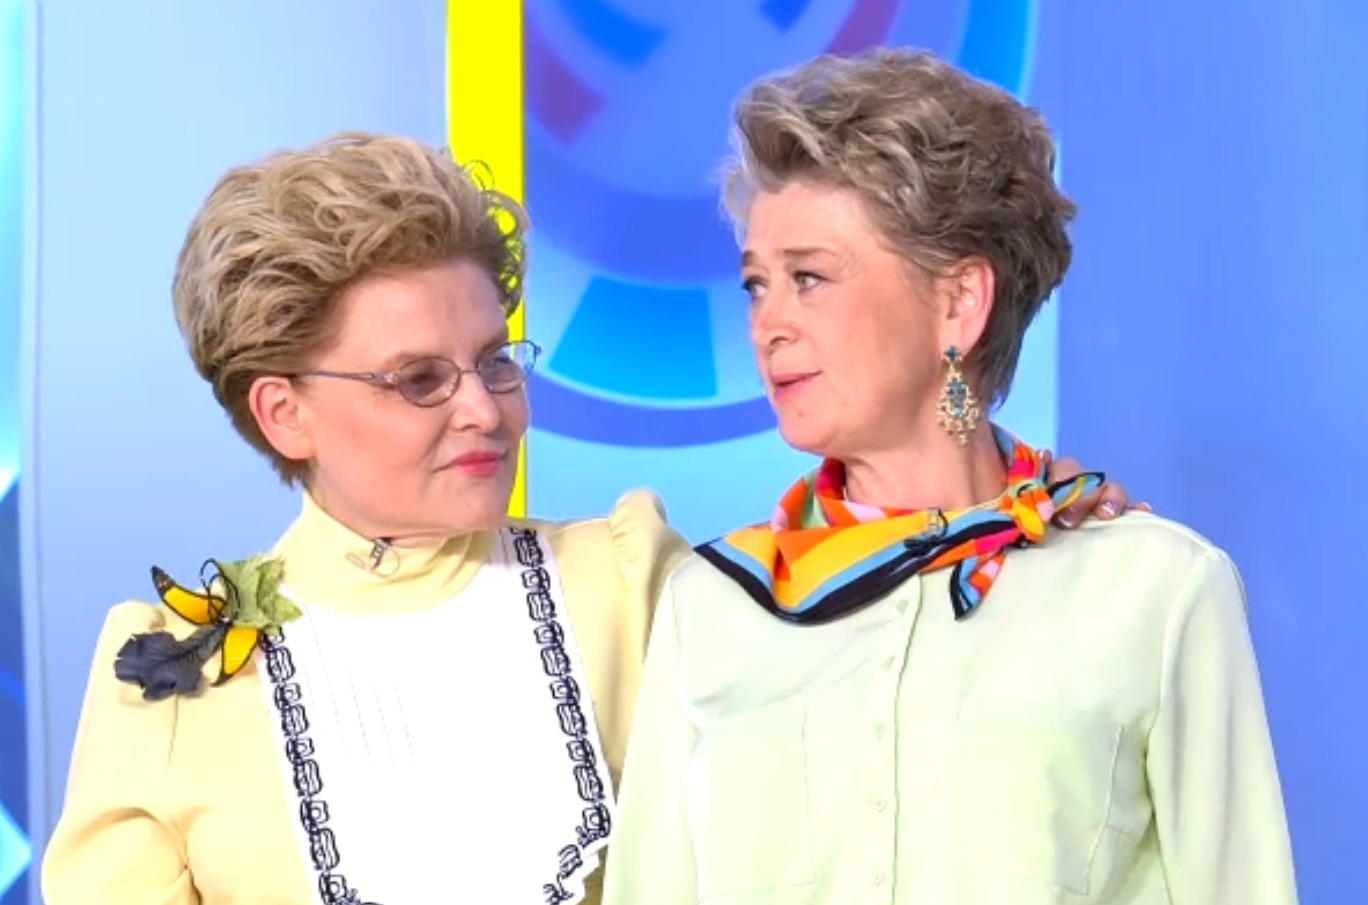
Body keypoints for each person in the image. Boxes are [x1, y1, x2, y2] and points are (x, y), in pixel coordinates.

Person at [42, 133, 1132, 905]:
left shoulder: (626, 579)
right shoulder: (169, 672)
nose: (484, 409)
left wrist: (1020, 509)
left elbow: (879, 698)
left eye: (494, 360)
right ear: (285, 412)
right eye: (419, 379)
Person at [602, 49, 1297, 905]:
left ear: (959, 301)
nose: (767, 323)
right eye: (756, 285)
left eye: (809, 278)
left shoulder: (1158, 590)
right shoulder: (711, 606)